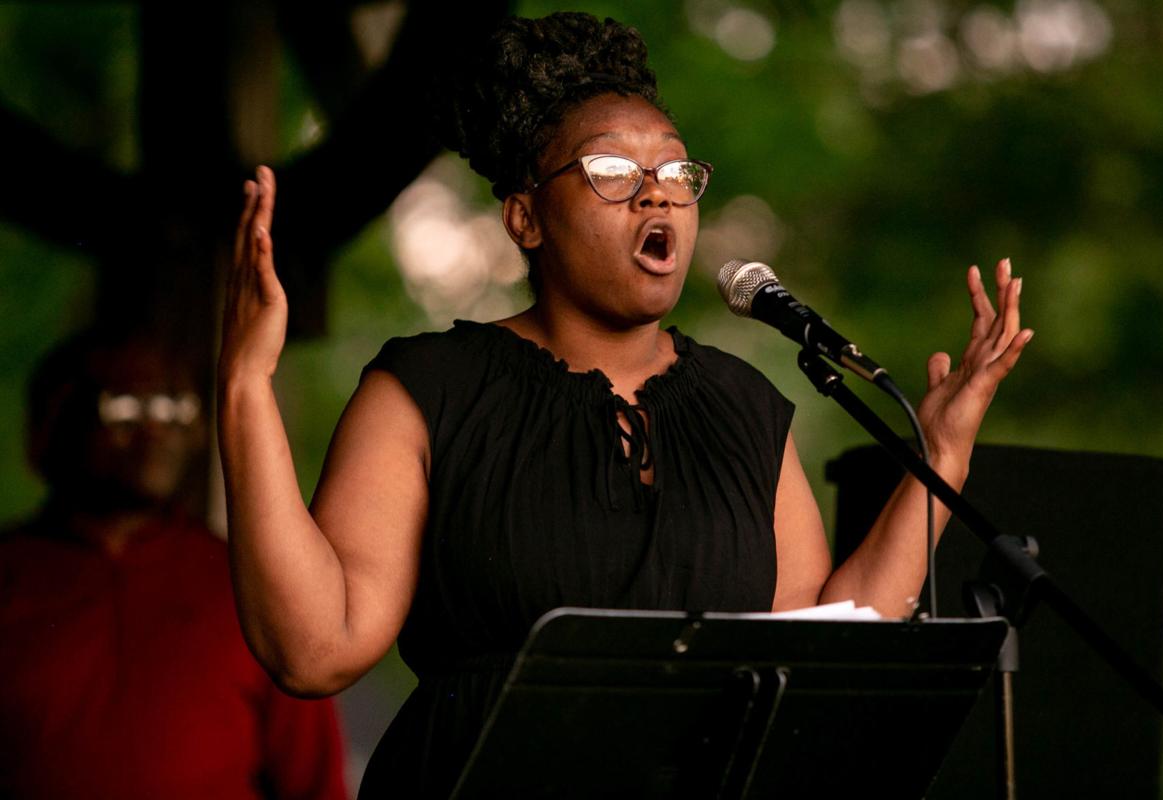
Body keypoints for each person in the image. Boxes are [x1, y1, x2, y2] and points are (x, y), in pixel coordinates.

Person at [217, 12, 1032, 799]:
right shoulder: (429, 389)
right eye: (612, 173)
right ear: (525, 217)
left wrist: (942, 454)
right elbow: (313, 650)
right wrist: (245, 388)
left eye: (678, 174)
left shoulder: (743, 405)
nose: (658, 197)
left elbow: (813, 644)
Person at [0, 328, 347, 800]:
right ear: (50, 425)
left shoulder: (248, 585)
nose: (155, 429)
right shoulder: (12, 574)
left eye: (174, 407)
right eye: (125, 405)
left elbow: (316, 787)